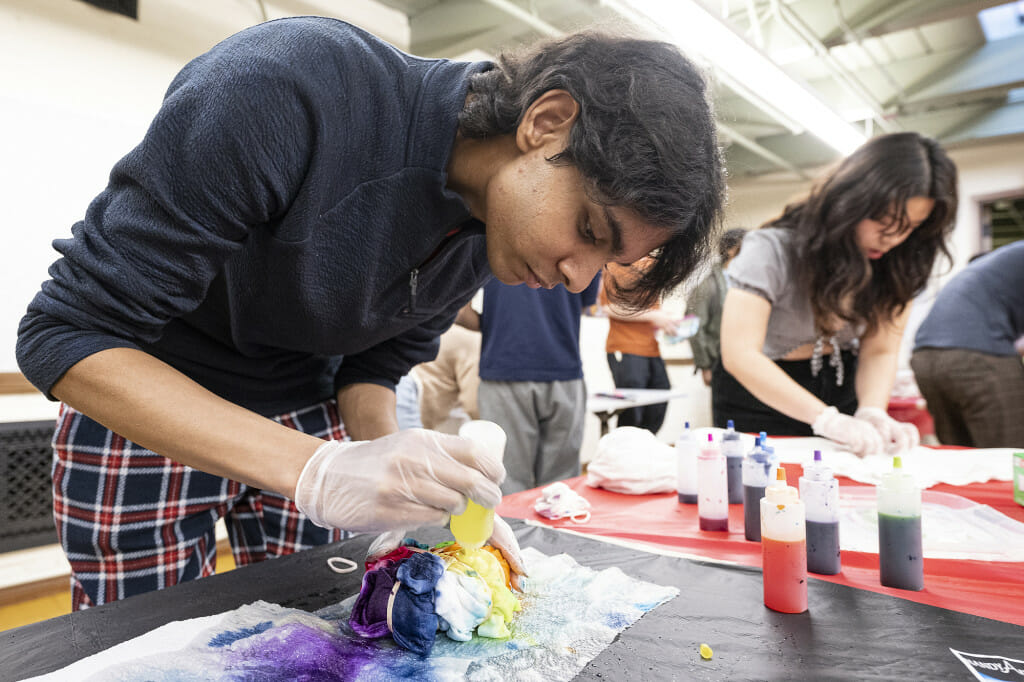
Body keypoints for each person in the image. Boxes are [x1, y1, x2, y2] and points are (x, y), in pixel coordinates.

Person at [15, 18, 724, 608]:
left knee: (308, 629)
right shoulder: (286, 88)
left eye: (604, 262)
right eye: (591, 232)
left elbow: (372, 368)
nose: (578, 278)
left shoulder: (492, 224)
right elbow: (66, 333)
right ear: (547, 121)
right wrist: (319, 470)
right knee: (137, 644)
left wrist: (404, 483)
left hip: (308, 406)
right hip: (146, 395)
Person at [716, 132, 958, 456]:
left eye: (911, 226)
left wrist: (872, 409)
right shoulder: (772, 248)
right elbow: (740, 354)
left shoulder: (901, 261)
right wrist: (824, 419)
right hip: (761, 389)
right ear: (849, 201)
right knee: (763, 491)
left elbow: (881, 349)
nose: (893, 238)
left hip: (843, 380)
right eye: (883, 220)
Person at [471, 276, 601, 494]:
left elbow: (457, 308)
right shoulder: (591, 243)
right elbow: (586, 304)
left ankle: (509, 527)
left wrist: (493, 324)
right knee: (560, 487)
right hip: (561, 368)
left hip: (505, 367)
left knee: (506, 480)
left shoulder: (487, 243)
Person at [910, 241, 1024, 447]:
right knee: (1011, 456)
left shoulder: (1000, 262)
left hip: (925, 357)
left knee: (962, 460)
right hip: (978, 358)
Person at [599, 258, 676, 434]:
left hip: (651, 348)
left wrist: (666, 321)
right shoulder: (615, 264)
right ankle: (624, 454)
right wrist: (653, 316)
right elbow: (609, 308)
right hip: (625, 348)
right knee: (633, 413)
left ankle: (642, 452)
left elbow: (651, 310)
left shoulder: (653, 264)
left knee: (659, 403)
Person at [408, 304, 483, 434]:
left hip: (406, 406)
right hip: (435, 420)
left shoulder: (430, 327)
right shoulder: (471, 339)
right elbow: (472, 404)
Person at [686, 228, 746, 387]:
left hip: (749, 361)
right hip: (720, 363)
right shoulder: (708, 285)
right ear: (731, 250)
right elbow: (694, 326)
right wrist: (705, 365)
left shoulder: (750, 281)